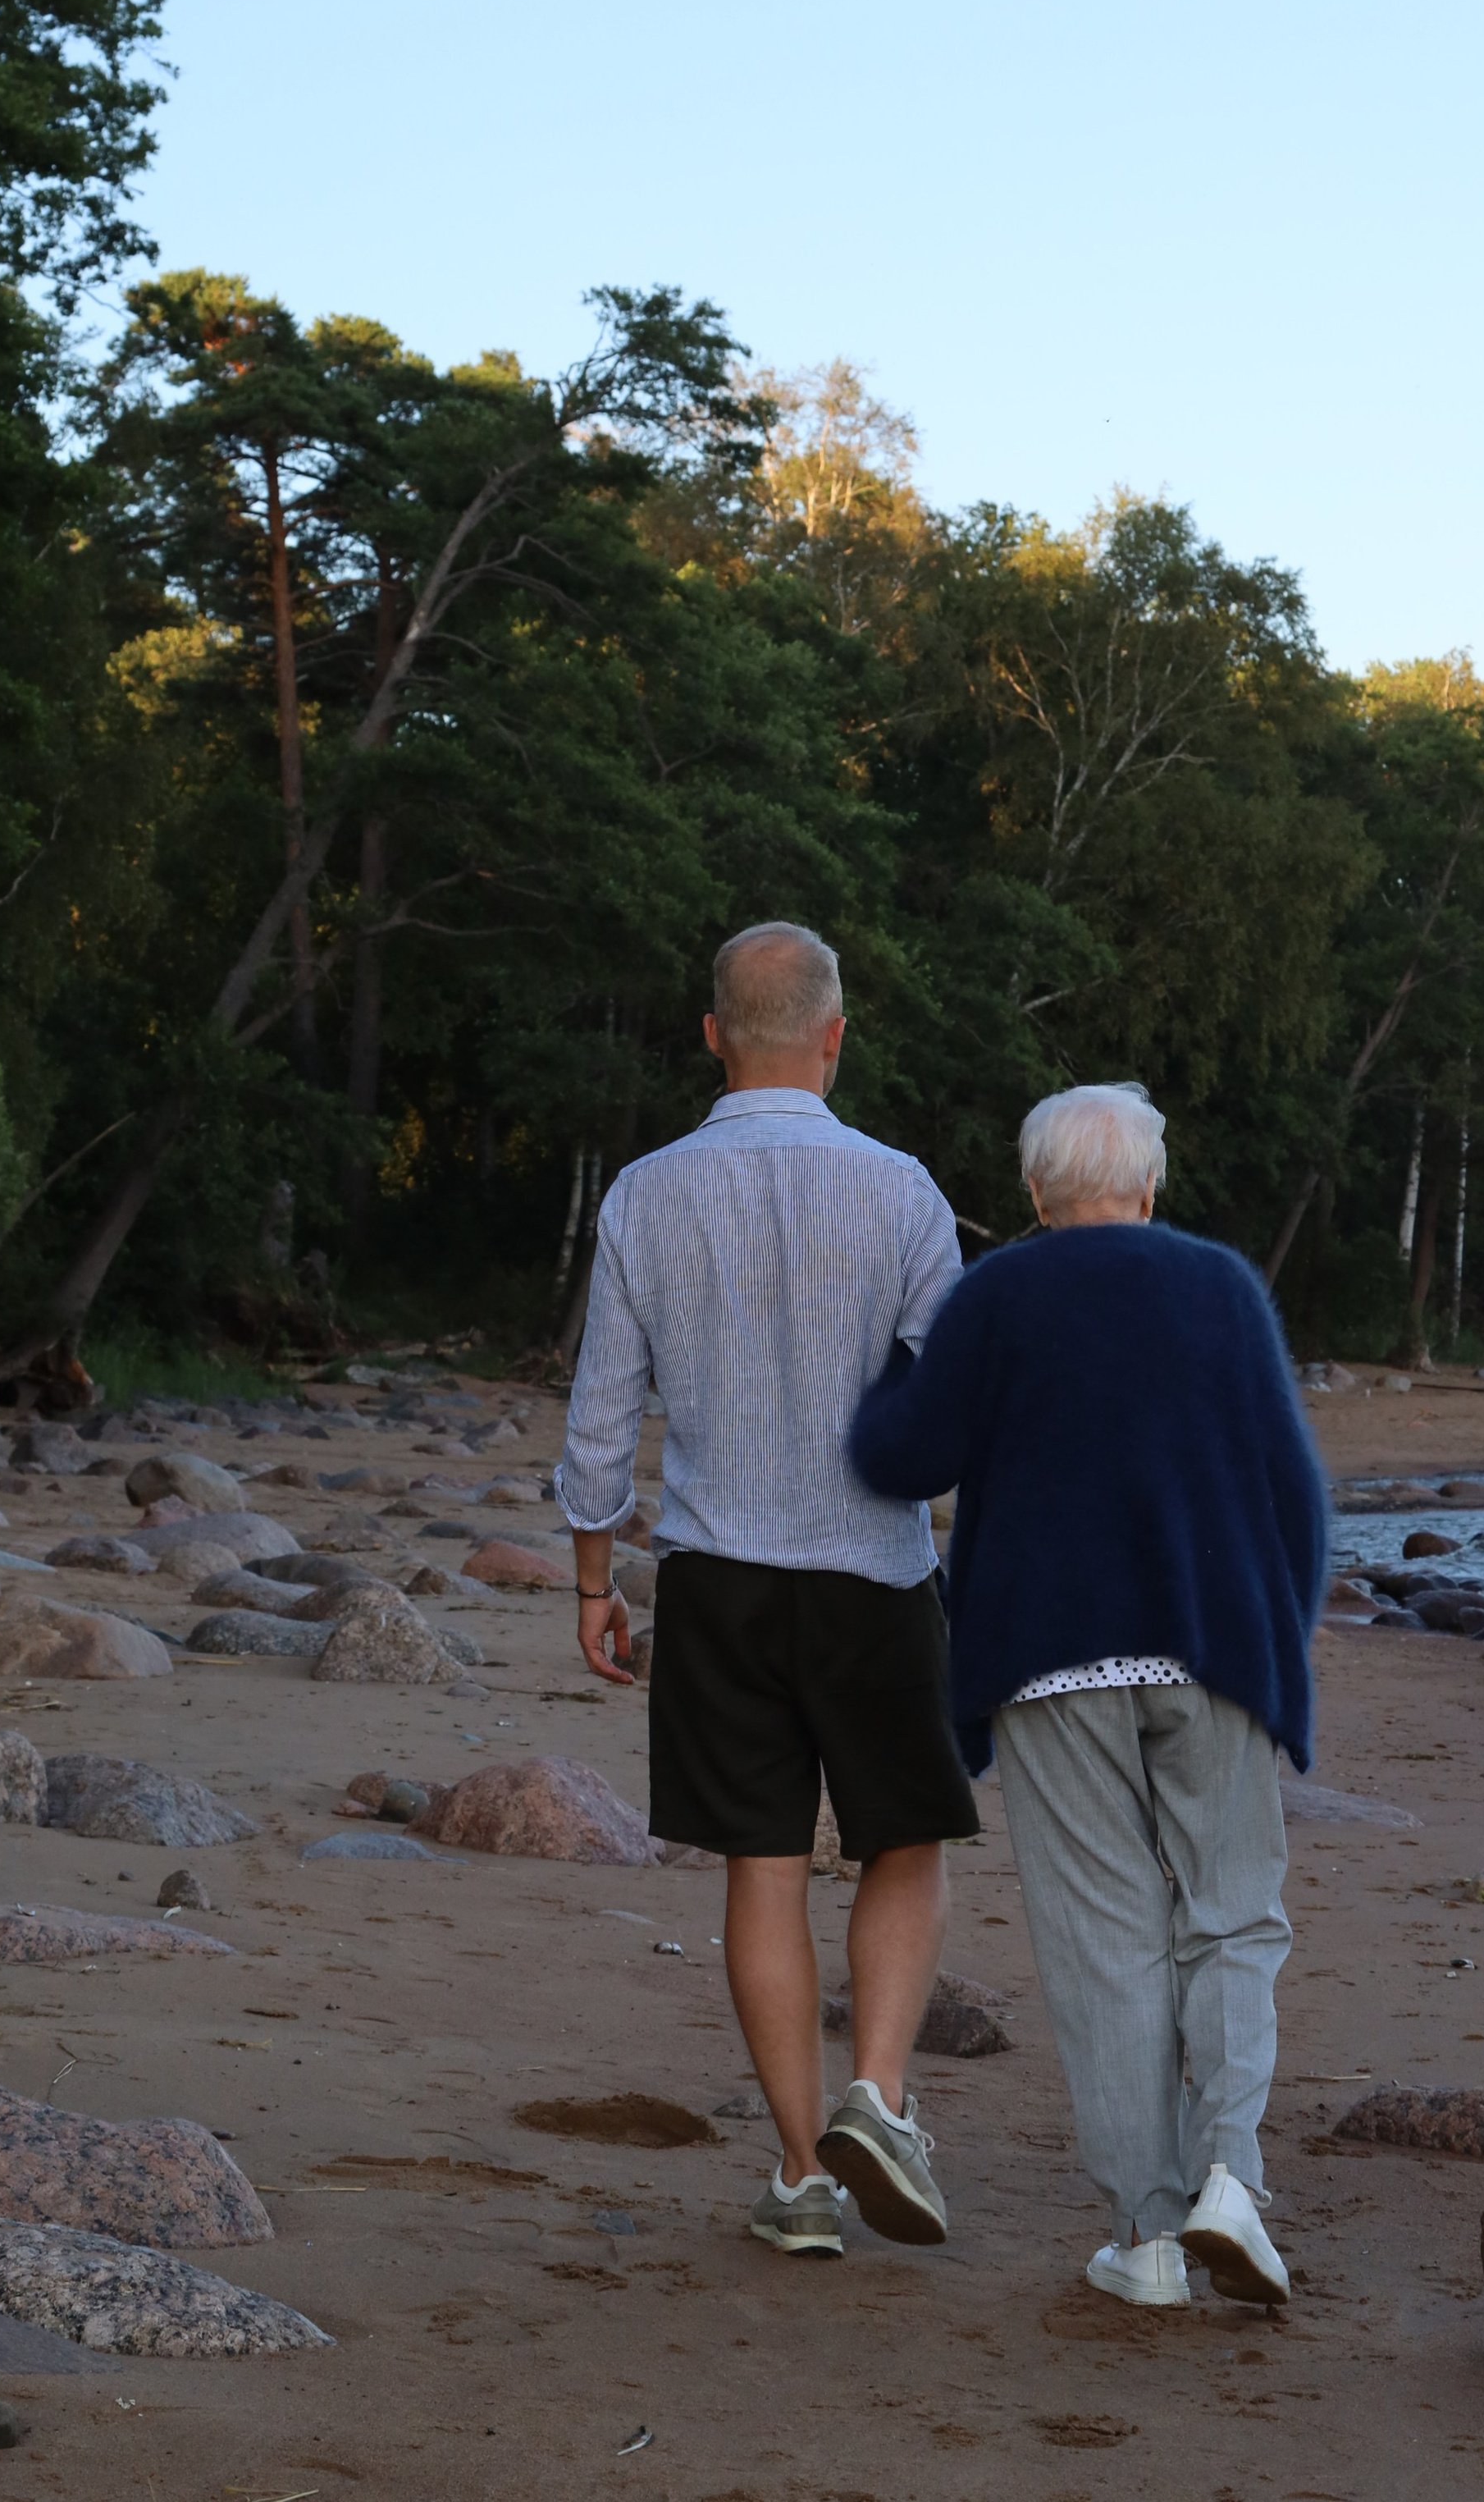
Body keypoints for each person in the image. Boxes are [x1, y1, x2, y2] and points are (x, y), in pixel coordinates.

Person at [850, 1082, 1327, 2310]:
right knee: (1231, 1916)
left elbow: (903, 1456)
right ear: (1151, 1186)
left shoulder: (997, 1296)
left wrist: (875, 1378)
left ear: (1034, 1193)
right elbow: (1295, 1496)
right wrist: (1284, 1641)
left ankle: (1150, 2241)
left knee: (1105, 1940)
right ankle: (1231, 2179)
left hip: (1052, 1656)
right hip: (1212, 1646)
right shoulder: (1221, 1286)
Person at [558, 919, 979, 2259]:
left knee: (762, 1864)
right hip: (872, 1570)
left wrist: (589, 1578)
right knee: (903, 1839)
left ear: (713, 1037)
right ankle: (882, 2099)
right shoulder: (905, 1191)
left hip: (719, 1577)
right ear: (836, 1036)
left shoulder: (643, 1193)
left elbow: (598, 1416)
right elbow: (951, 1402)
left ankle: (803, 2176)